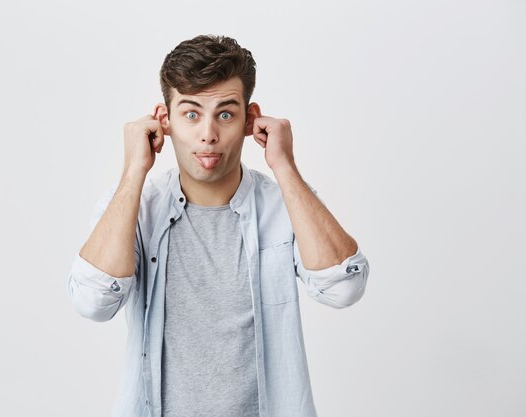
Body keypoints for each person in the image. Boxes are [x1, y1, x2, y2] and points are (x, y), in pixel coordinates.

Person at [67, 34, 370, 417]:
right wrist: (134, 171)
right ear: (165, 120)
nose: (208, 134)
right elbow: (93, 303)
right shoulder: (135, 206)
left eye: (225, 114)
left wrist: (284, 166)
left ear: (249, 118)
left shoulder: (282, 204)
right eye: (191, 113)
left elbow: (344, 289)